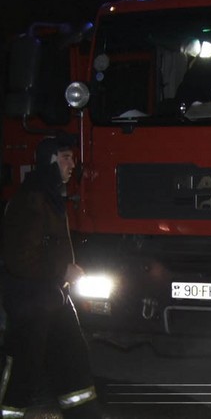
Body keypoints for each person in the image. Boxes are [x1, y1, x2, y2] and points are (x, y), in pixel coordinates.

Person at [0, 135, 103, 418]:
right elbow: (19, 259)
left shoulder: (50, 197)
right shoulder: (31, 200)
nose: (73, 164)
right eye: (66, 157)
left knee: (73, 361)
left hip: (53, 297)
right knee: (24, 367)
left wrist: (63, 274)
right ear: (50, 161)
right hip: (31, 304)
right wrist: (62, 270)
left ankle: (85, 414)